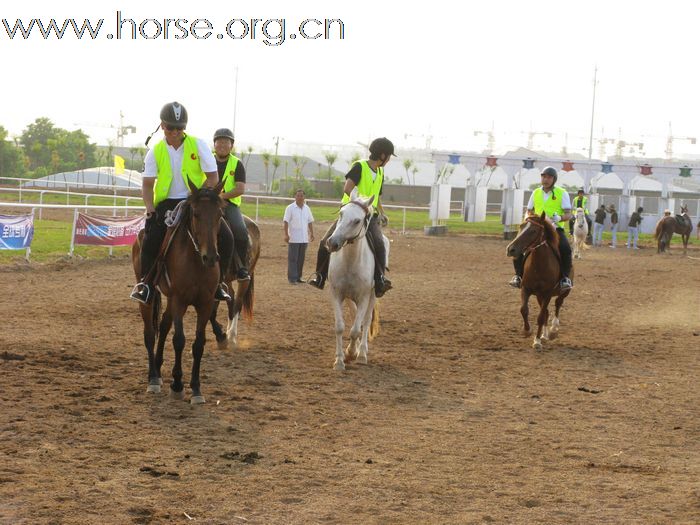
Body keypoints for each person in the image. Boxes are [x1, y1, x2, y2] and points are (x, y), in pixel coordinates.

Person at [130, 102, 233, 304]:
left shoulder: (198, 145)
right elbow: (147, 185)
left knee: (227, 236)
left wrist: (197, 196)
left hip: (195, 200)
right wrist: (150, 209)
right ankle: (146, 285)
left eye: (179, 128)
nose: (175, 132)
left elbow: (213, 178)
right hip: (166, 205)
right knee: (150, 240)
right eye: (170, 127)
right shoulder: (155, 151)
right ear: (162, 126)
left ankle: (220, 283)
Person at [308, 137, 394, 297]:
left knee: (380, 245)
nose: (389, 159)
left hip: (370, 217)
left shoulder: (381, 172)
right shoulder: (359, 166)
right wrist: (358, 205)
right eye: (388, 156)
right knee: (324, 242)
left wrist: (382, 212)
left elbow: (377, 196)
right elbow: (347, 188)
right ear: (382, 155)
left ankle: (380, 279)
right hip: (350, 214)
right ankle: (319, 277)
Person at [509, 166, 573, 290]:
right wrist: (528, 219)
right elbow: (529, 210)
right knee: (518, 246)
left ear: (554, 179)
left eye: (549, 177)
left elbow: (568, 214)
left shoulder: (562, 193)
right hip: (536, 229)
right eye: (544, 176)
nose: (546, 179)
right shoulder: (536, 192)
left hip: (554, 229)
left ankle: (565, 278)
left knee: (566, 248)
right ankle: (518, 276)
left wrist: (559, 218)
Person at [212, 128, 250, 282]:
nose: (222, 144)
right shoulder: (207, 160)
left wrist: (222, 196)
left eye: (226, 142)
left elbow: (240, 188)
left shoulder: (237, 163)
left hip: (229, 205)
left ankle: (242, 267)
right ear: (214, 144)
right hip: (210, 203)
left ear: (231, 145)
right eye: (219, 141)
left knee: (240, 231)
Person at [283, 189, 315, 284]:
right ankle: (292, 278)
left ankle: (298, 277)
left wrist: (311, 233)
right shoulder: (290, 208)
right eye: (298, 195)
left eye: (301, 196)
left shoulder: (307, 208)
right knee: (293, 259)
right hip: (293, 238)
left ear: (304, 197)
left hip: (304, 238)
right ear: (295, 197)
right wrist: (286, 234)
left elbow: (310, 221)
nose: (300, 197)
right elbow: (286, 221)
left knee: (301, 259)